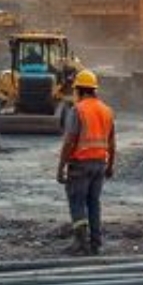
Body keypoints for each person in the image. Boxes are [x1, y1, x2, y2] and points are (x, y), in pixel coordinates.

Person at [56, 70, 116, 254]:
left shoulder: (78, 110)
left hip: (81, 164)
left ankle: (81, 242)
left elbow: (69, 141)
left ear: (80, 90)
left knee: (77, 201)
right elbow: (112, 142)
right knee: (93, 202)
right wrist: (110, 165)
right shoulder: (107, 110)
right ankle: (96, 242)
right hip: (99, 163)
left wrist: (61, 167)